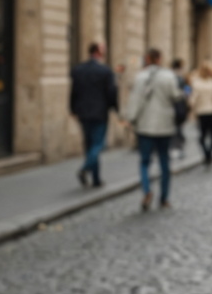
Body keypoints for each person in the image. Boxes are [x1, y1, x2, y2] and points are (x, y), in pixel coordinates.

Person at [124, 48, 184, 211]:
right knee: (164, 161)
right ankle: (164, 198)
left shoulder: (140, 77)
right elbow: (176, 96)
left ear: (148, 59)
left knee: (144, 161)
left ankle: (147, 190)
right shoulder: (168, 76)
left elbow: (134, 100)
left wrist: (130, 119)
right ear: (159, 58)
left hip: (145, 126)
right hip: (164, 126)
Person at [69, 42, 118, 188]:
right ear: (97, 52)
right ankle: (85, 168)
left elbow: (74, 92)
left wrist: (72, 109)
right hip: (100, 113)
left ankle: (96, 180)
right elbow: (111, 92)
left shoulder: (78, 70)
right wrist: (115, 107)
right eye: (102, 50)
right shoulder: (105, 71)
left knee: (89, 145)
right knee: (98, 144)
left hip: (83, 112)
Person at [188, 59, 212, 165]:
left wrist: (191, 108)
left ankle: (207, 154)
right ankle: (209, 153)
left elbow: (193, 100)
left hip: (202, 112)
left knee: (202, 136)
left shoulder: (196, 83)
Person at [170, 58, 190, 159]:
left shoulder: (173, 76)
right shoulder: (178, 77)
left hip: (176, 106)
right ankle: (177, 148)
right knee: (177, 128)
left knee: (176, 128)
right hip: (178, 106)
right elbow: (186, 91)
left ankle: (177, 148)